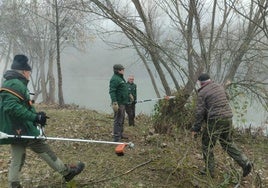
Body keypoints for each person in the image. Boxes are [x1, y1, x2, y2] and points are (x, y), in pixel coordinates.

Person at [0, 54, 85, 188]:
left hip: (16, 127)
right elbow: (12, 107)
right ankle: (67, 173)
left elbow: (21, 105)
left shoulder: (12, 82)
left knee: (18, 155)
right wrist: (34, 117)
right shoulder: (14, 83)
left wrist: (37, 115)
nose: (29, 75)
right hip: (21, 127)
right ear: (23, 71)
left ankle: (13, 183)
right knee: (41, 146)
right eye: (29, 72)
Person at [191, 73, 252, 178]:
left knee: (207, 145)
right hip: (228, 117)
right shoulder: (219, 86)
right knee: (227, 142)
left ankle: (209, 172)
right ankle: (245, 162)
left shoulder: (203, 92)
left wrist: (195, 128)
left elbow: (199, 112)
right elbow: (226, 98)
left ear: (201, 83)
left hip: (215, 120)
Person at [109, 64, 129, 142]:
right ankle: (116, 137)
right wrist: (114, 102)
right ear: (118, 70)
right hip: (118, 103)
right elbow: (112, 91)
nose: (123, 70)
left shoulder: (120, 78)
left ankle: (120, 134)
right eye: (122, 69)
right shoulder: (114, 79)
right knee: (118, 120)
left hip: (123, 102)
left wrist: (129, 94)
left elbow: (123, 88)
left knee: (122, 119)